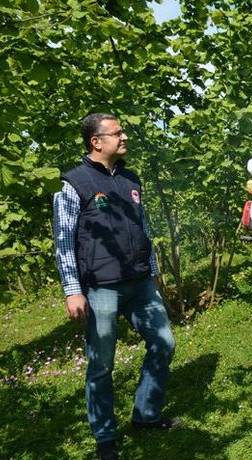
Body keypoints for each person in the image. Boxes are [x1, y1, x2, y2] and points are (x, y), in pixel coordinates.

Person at [53, 113, 180, 460]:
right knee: (101, 365)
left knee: (164, 343)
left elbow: (143, 229)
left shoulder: (130, 179)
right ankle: (105, 439)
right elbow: (63, 241)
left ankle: (146, 415)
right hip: (100, 288)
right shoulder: (73, 184)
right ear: (96, 141)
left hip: (139, 283)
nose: (124, 137)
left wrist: (152, 271)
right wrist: (72, 290)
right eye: (117, 133)